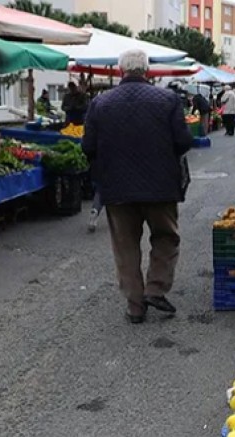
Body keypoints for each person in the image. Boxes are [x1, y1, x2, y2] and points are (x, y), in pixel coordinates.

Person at [82, 49, 193, 324]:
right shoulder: (168, 99)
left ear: (120, 70)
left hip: (117, 188)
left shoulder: (101, 103)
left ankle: (135, 306)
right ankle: (155, 288)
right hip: (161, 186)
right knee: (166, 237)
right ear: (147, 70)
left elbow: (87, 146)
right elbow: (183, 142)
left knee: (125, 246)